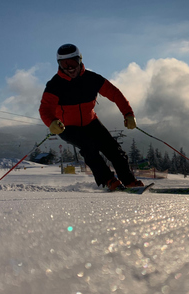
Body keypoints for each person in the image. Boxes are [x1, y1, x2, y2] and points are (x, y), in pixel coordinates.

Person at [39, 43, 143, 191]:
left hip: (91, 122)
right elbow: (45, 108)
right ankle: (108, 181)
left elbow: (115, 94)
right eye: (64, 64)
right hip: (67, 127)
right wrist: (52, 122)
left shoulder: (92, 79)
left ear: (79, 60)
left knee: (114, 149)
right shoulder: (55, 85)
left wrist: (128, 114)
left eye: (72, 63)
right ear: (59, 64)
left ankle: (129, 182)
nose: (70, 68)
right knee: (89, 148)